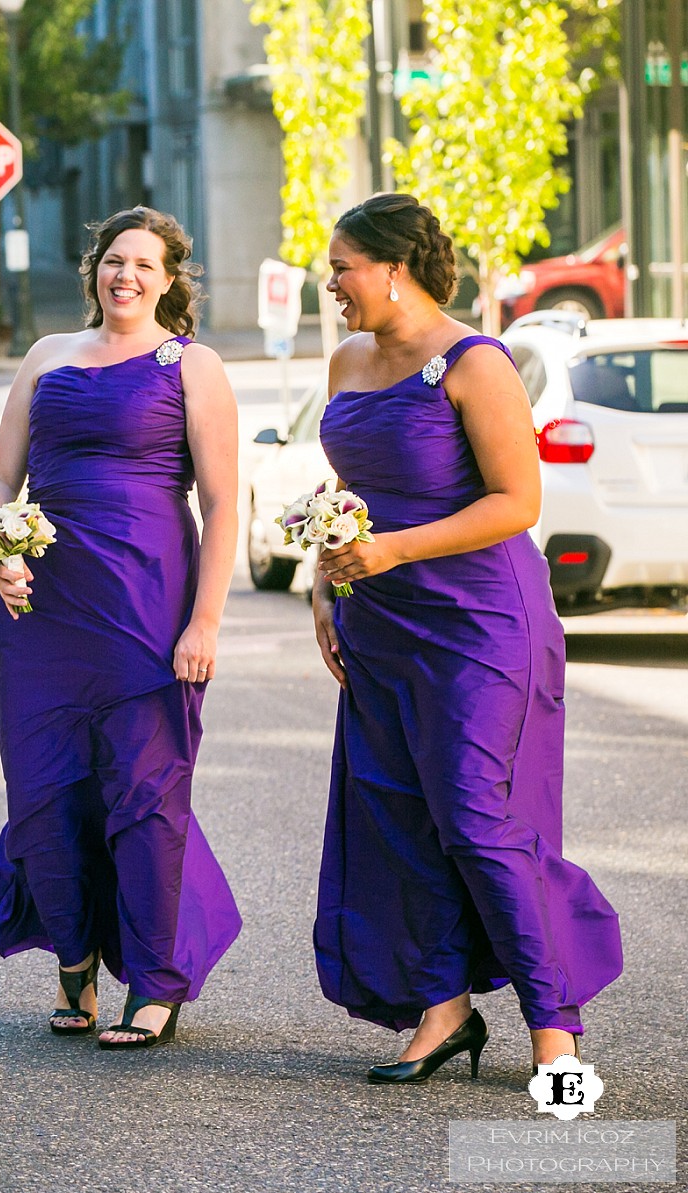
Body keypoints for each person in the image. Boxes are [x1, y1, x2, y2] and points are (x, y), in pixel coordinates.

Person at [312, 193, 623, 1083]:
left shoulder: (474, 361)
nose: (332, 284)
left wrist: (393, 550)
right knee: (399, 816)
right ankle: (442, 1010)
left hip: (481, 621)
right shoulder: (346, 363)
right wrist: (324, 590)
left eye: (342, 267)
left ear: (394, 269)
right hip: (377, 623)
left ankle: (553, 1029)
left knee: (482, 818)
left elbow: (518, 504)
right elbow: (344, 495)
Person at [0, 206, 243, 1051]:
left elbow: (226, 502)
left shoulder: (191, 365)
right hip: (39, 612)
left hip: (146, 607)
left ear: (169, 280)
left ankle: (156, 982)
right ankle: (75, 961)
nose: (125, 276)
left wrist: (204, 623)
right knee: (46, 791)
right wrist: (0, 554)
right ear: (95, 270)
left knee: (144, 792)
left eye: (144, 265)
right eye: (113, 260)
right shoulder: (49, 356)